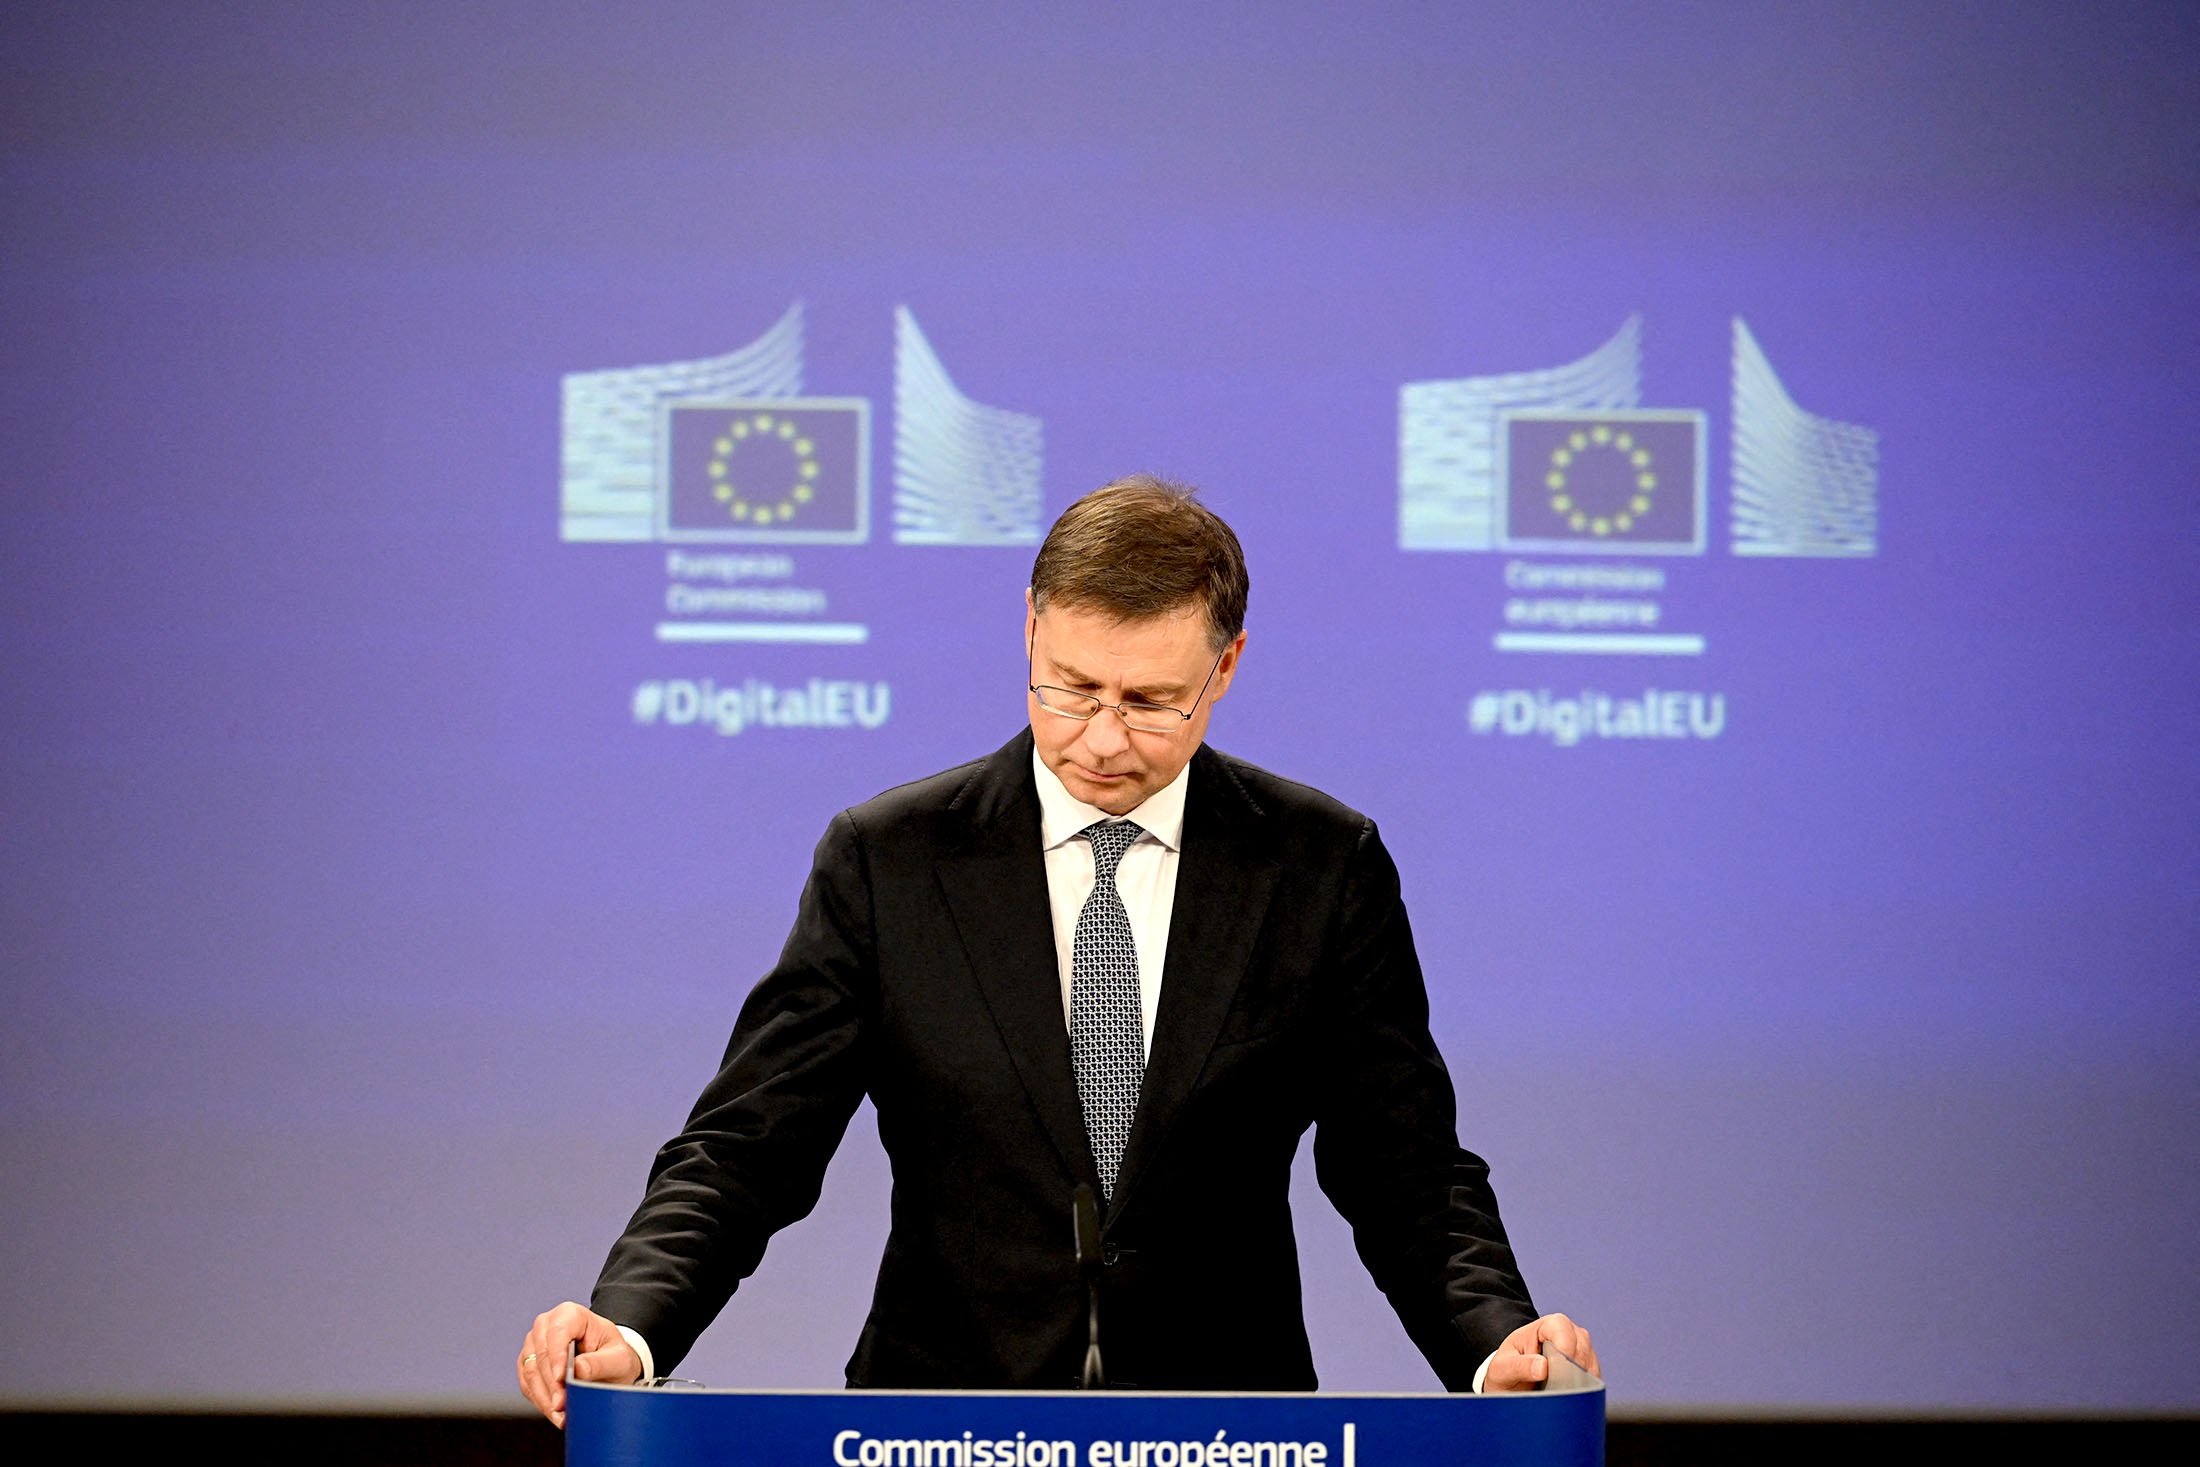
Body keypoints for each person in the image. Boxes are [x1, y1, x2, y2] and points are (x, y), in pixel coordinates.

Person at [519, 475, 1596, 1424]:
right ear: (1030, 630)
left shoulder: (1321, 866)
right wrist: (631, 1324)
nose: (1103, 738)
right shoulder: (891, 860)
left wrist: (1492, 1340)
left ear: (1226, 668)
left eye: (1151, 701)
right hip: (940, 1425)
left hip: (1227, 1432)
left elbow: (1405, 1168)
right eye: (1072, 688)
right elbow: (749, 1146)